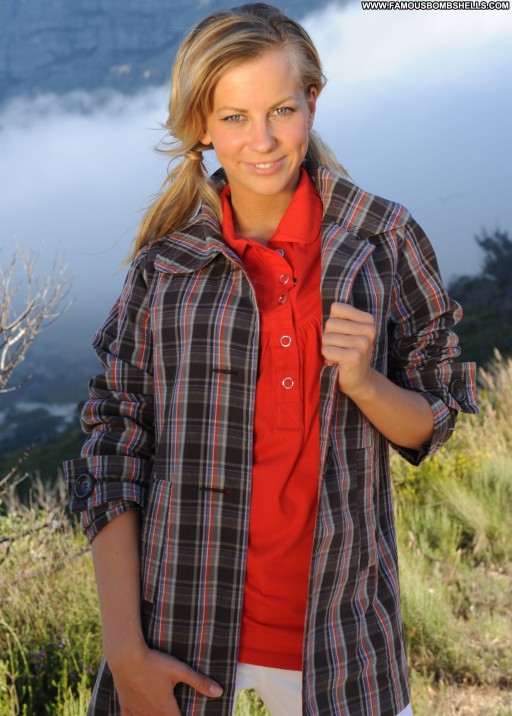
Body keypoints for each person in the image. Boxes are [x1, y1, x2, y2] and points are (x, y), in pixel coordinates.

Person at [64, 3, 478, 715]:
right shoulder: (165, 267)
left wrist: (366, 384)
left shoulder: (384, 239)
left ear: (312, 100)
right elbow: (113, 451)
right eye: (235, 117)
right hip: (179, 641)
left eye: (281, 110)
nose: (262, 140)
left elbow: (432, 421)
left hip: (347, 650)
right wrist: (126, 651)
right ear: (202, 125)